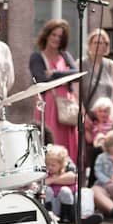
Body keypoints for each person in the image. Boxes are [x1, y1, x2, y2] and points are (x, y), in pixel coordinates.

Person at [28, 19, 80, 155]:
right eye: (53, 35)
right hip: (49, 105)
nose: (56, 39)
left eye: (60, 36)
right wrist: (65, 76)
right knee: (51, 141)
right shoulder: (37, 57)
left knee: (70, 143)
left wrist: (55, 73)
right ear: (47, 35)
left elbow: (77, 74)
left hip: (66, 106)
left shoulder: (65, 56)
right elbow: (42, 79)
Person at [81, 28, 113, 115]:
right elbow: (76, 94)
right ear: (89, 45)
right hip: (88, 117)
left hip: (108, 118)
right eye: (95, 42)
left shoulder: (111, 65)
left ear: (106, 46)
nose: (97, 46)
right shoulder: (81, 64)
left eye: (100, 43)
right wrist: (83, 116)